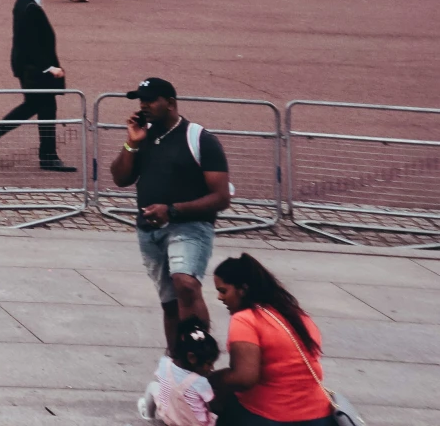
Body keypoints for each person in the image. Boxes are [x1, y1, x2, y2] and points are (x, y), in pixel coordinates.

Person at [109, 76, 234, 352]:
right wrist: (132, 142)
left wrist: (173, 211)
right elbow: (120, 178)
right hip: (149, 231)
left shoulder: (199, 138)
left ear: (171, 103)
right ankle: (177, 362)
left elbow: (222, 197)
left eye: (151, 100)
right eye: (141, 100)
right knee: (169, 301)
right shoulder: (145, 136)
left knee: (186, 285)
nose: (144, 106)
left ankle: (200, 356)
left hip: (189, 227)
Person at [209, 254, 336, 426]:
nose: (219, 297)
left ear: (243, 289)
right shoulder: (296, 315)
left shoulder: (246, 319)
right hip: (320, 416)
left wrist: (212, 378)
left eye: (223, 291)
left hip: (270, 415)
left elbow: (244, 378)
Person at [0, 0, 76, 172]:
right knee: (46, 109)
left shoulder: (27, 3)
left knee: (33, 106)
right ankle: (48, 156)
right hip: (34, 68)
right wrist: (49, 68)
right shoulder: (29, 7)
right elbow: (30, 43)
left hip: (29, 66)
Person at [140, 319, 221, 426]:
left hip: (170, 417)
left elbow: (164, 384)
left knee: (153, 386)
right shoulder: (200, 382)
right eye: (209, 363)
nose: (211, 368)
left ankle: (149, 417)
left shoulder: (165, 362)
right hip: (194, 424)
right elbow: (213, 405)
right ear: (191, 357)